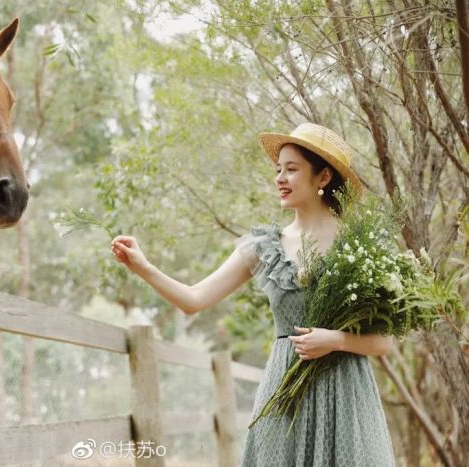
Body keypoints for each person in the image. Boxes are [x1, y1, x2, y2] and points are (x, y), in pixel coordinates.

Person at [110, 122, 396, 466]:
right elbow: (193, 299)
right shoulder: (264, 247)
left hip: (346, 397)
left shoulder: (360, 245)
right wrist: (143, 267)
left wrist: (334, 340)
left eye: (292, 169)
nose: (280, 178)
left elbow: (383, 342)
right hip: (284, 396)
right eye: (278, 169)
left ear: (322, 178)